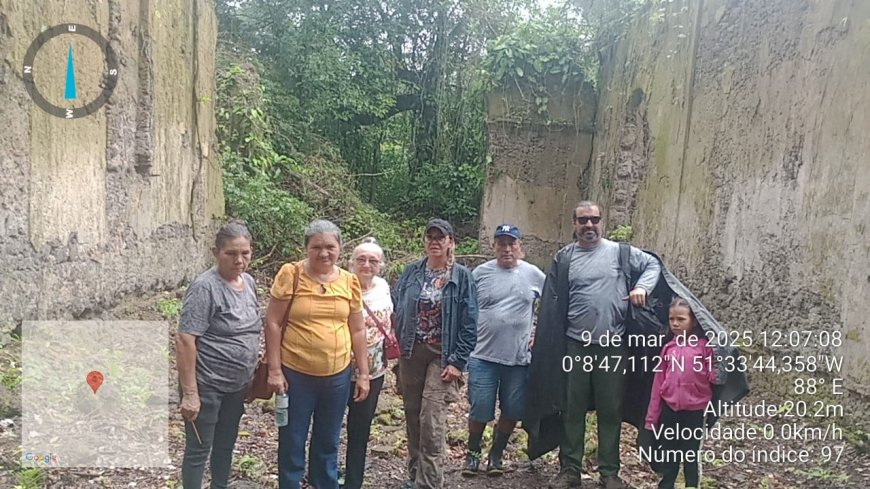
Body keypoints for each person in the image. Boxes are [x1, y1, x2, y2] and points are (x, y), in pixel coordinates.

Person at [531, 201, 662, 489]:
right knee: (571, 408)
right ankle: (570, 470)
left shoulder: (621, 252)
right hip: (575, 345)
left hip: (613, 346)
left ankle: (609, 472)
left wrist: (642, 287)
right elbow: (552, 306)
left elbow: (653, 264)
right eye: (583, 221)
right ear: (574, 224)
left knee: (610, 409)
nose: (589, 225)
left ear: (602, 222)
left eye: (594, 219)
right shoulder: (565, 258)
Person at [264, 219, 371, 489]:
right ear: (306, 248)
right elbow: (273, 322)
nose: (324, 253)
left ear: (340, 249)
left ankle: (325, 483)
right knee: (293, 438)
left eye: (330, 247)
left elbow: (357, 329)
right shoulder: (292, 274)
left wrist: (364, 373)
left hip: (337, 376)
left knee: (328, 440)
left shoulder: (349, 282)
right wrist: (275, 370)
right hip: (295, 374)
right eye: (317, 247)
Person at [393, 218, 478, 489]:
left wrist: (458, 361)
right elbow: (396, 305)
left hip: (442, 354)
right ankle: (415, 473)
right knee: (413, 414)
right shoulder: (411, 272)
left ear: (451, 242)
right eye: (430, 237)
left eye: (440, 237)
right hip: (410, 352)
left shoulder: (461, 276)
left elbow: (470, 321)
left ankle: (429, 483)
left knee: (431, 419)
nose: (434, 241)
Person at [177, 220, 261, 489]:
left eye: (245, 253)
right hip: (207, 385)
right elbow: (185, 338)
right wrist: (191, 393)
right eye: (231, 253)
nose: (239, 260)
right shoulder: (205, 287)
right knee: (199, 450)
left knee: (225, 447)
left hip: (236, 387)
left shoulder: (248, 282)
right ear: (216, 252)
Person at [462, 224, 545, 477]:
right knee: (480, 408)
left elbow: (554, 305)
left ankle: (496, 455)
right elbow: (465, 308)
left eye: (512, 243)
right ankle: (473, 453)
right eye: (502, 243)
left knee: (512, 410)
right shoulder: (480, 273)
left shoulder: (534, 275)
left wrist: (539, 336)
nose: (507, 249)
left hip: (518, 359)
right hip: (482, 356)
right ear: (494, 247)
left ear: (521, 247)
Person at [645, 297, 716, 489]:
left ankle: (692, 485)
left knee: (690, 454)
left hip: (694, 412)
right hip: (670, 410)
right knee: (669, 452)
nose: (675, 323)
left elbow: (715, 377)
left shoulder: (704, 348)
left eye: (681, 319)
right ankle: (667, 485)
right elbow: (658, 383)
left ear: (693, 321)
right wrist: (652, 417)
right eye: (671, 319)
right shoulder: (668, 348)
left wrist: (717, 359)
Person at [342, 238, 394, 489]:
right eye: (361, 259)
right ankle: (324, 477)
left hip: (373, 372)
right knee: (328, 427)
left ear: (381, 265)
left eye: (373, 260)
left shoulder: (383, 287)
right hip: (337, 370)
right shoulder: (341, 284)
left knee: (360, 429)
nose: (366, 264)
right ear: (351, 262)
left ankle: (353, 481)